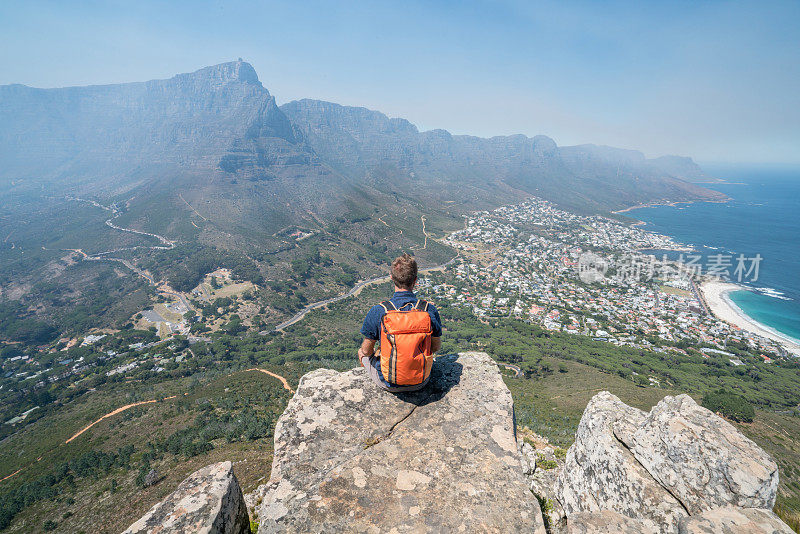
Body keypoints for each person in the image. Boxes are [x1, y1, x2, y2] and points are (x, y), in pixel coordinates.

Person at [358, 253, 442, 392]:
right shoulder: (429, 310)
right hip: (421, 381)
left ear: (392, 278)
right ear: (415, 280)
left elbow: (367, 351)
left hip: (387, 382)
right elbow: (435, 347)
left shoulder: (379, 311)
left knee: (361, 352)